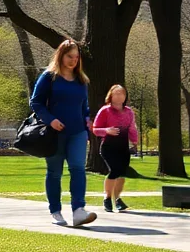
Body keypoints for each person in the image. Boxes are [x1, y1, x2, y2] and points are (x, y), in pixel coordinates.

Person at [30, 39, 96, 226]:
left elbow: (84, 106)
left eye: (76, 57)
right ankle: (56, 211)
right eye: (69, 56)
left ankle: (78, 211)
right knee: (55, 172)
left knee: (78, 168)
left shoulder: (82, 80)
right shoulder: (49, 77)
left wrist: (87, 119)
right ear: (61, 55)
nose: (73, 60)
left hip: (77, 133)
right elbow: (36, 102)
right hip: (54, 133)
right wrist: (51, 120)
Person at [93, 84, 139, 213]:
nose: (119, 96)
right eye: (116, 93)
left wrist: (135, 141)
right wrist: (107, 130)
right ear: (111, 96)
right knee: (114, 170)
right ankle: (107, 198)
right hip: (108, 147)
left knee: (122, 173)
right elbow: (95, 129)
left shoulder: (129, 111)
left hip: (123, 147)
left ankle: (118, 199)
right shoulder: (105, 110)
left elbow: (132, 128)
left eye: (122, 93)